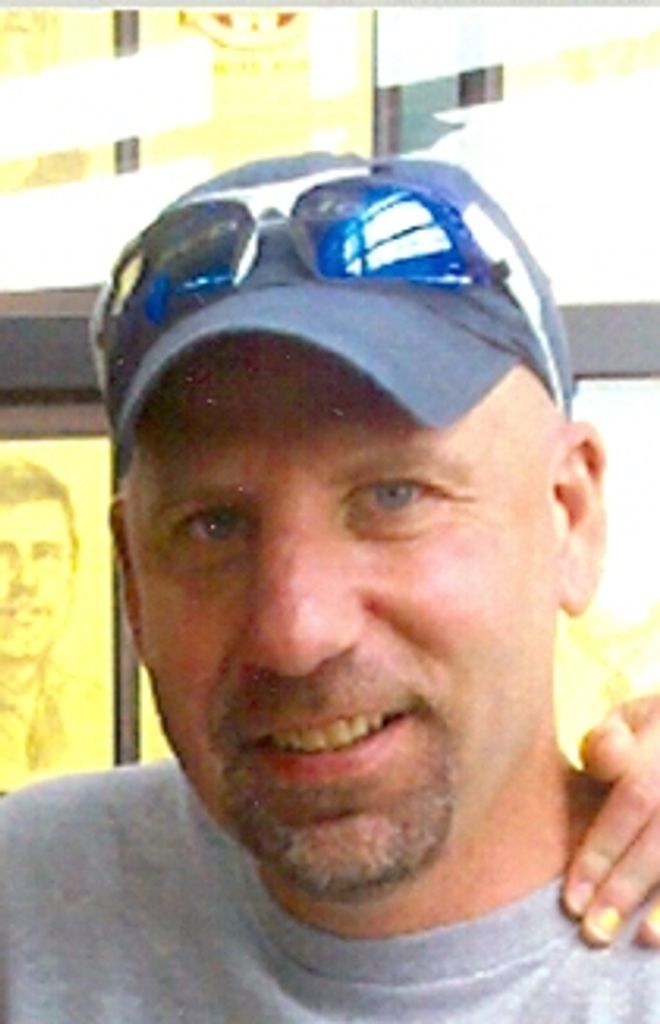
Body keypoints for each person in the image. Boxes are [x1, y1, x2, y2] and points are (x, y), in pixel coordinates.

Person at [2, 152, 660, 1020]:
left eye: (394, 497)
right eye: (213, 526)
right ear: (131, 579)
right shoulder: (29, 901)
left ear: (569, 514)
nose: (296, 631)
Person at [0, 458, 82, 790]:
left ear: (73, 569)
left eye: (45, 554)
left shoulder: (93, 709)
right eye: (3, 555)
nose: (26, 581)